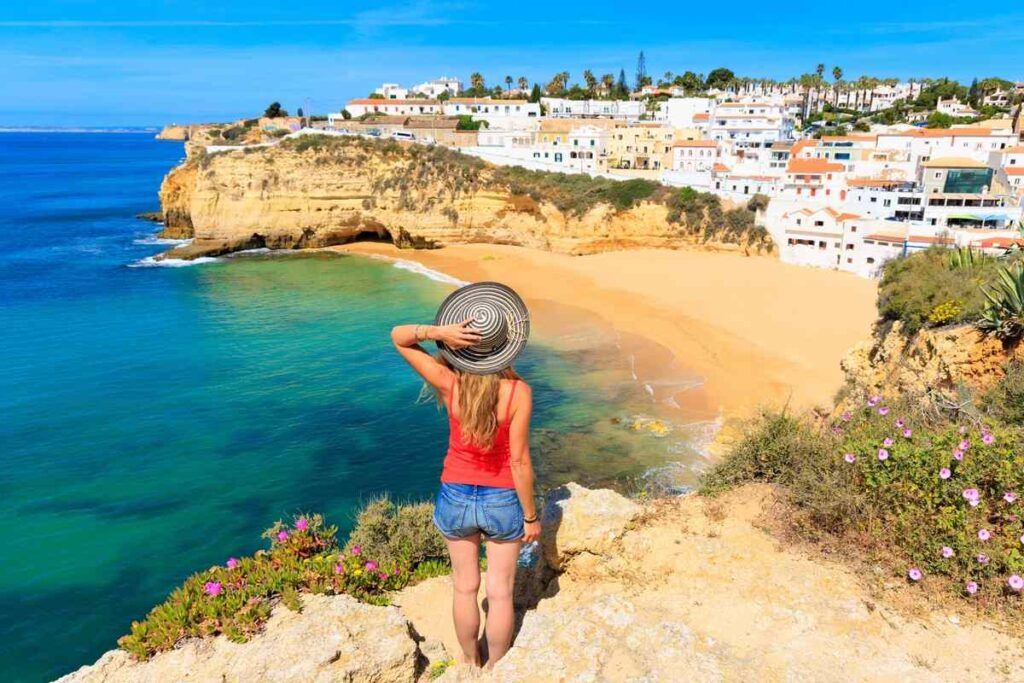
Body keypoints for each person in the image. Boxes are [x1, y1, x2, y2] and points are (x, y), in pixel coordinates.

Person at [391, 282, 540, 667]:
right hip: (504, 499)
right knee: (501, 592)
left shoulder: (449, 383)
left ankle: (470, 661)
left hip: (455, 495)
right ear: (507, 344)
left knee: (464, 588)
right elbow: (520, 461)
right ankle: (495, 667)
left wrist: (438, 333)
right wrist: (531, 516)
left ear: (464, 345)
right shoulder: (518, 392)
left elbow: (400, 337)